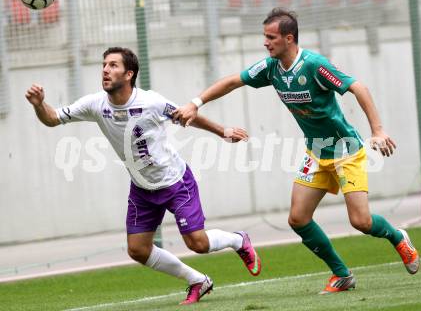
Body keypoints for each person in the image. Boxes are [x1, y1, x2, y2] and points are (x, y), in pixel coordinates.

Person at [172, 8, 419, 294]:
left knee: (361, 222)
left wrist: (377, 130)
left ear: (289, 38)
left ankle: (397, 236)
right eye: (265, 36)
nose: (265, 42)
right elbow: (232, 81)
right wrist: (195, 103)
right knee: (298, 219)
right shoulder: (271, 68)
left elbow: (358, 87)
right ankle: (342, 275)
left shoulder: (314, 65)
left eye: (271, 37)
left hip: (345, 149)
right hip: (316, 152)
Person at [25, 47, 261, 305]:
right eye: (104, 64)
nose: (105, 69)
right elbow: (52, 118)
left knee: (198, 244)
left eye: (113, 65)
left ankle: (239, 240)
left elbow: (187, 116)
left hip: (175, 182)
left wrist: (223, 131)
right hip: (141, 188)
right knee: (138, 250)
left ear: (129, 74)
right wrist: (39, 105)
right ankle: (197, 280)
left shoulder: (150, 102)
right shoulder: (95, 104)